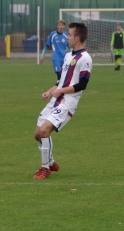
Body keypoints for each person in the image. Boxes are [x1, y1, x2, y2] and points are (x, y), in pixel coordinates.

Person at [33, 23, 93, 179]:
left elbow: (82, 84)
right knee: (37, 134)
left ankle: (45, 168)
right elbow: (61, 81)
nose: (68, 37)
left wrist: (60, 91)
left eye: (70, 35)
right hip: (56, 99)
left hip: (68, 102)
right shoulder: (68, 56)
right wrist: (50, 90)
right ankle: (51, 162)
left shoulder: (85, 58)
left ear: (77, 38)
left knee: (45, 131)